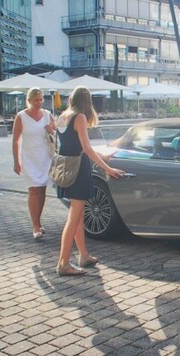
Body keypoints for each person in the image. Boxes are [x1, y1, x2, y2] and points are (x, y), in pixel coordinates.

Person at [55, 86, 125, 276]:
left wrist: (100, 155)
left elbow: (70, 145)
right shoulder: (80, 117)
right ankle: (63, 263)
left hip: (66, 169)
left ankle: (83, 255)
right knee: (73, 218)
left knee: (76, 215)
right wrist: (108, 168)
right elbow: (86, 148)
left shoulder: (63, 116)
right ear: (87, 101)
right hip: (78, 170)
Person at [12, 87, 56, 240]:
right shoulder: (21, 116)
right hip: (29, 157)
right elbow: (16, 140)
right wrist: (16, 160)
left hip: (45, 157)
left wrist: (52, 130)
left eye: (41, 99)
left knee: (42, 189)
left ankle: (39, 221)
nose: (39, 102)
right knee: (33, 190)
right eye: (36, 100)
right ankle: (35, 225)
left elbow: (57, 134)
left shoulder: (47, 115)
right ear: (29, 100)